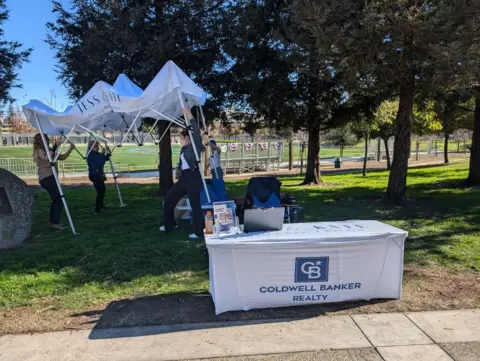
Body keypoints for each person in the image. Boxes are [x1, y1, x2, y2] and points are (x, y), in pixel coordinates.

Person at [160, 118, 204, 240]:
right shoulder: (184, 148)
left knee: (195, 205)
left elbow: (195, 130)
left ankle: (198, 231)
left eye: (182, 137)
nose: (180, 139)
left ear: (188, 137)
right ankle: (170, 224)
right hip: (184, 177)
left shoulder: (195, 146)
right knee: (169, 199)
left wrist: (189, 115)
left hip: (193, 176)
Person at [32, 133, 75, 230]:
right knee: (59, 199)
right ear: (42, 140)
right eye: (46, 139)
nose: (48, 140)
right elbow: (47, 157)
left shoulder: (50, 150)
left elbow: (62, 157)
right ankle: (54, 223)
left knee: (57, 199)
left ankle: (53, 222)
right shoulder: (39, 151)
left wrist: (70, 149)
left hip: (51, 178)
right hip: (47, 178)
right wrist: (56, 145)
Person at [86, 140, 111, 215]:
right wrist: (103, 153)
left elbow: (106, 158)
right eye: (95, 146)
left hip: (99, 174)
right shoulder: (90, 154)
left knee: (101, 190)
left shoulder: (97, 153)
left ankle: (101, 205)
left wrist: (108, 152)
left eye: (97, 145)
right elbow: (100, 161)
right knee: (101, 191)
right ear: (90, 146)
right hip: (95, 175)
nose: (96, 147)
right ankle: (97, 209)